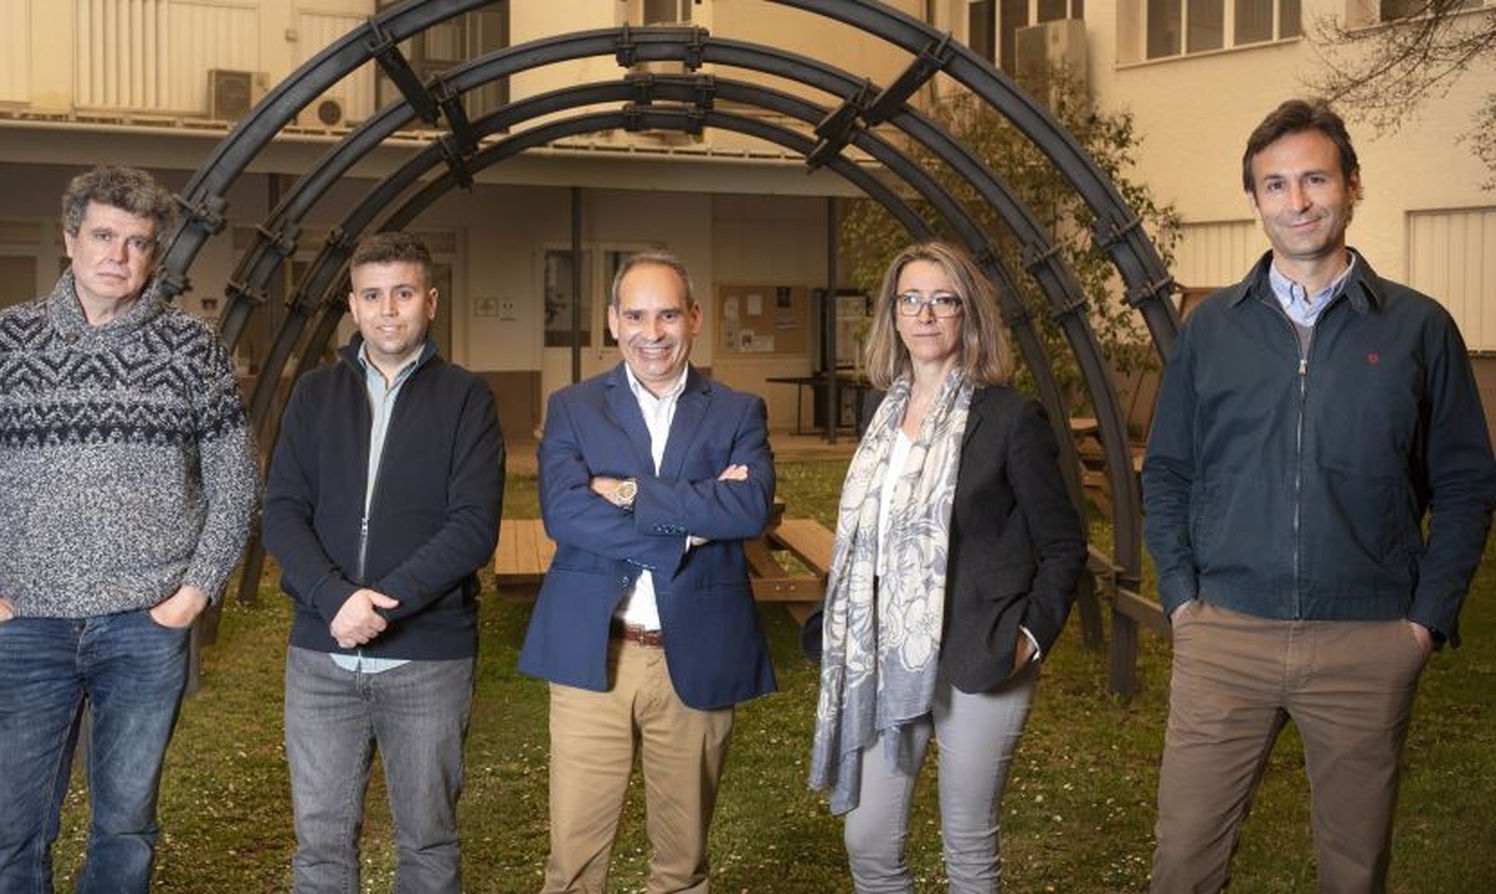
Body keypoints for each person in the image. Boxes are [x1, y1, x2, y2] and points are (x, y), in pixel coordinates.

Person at [1143, 99, 1496, 893]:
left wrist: (1424, 621)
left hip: (1367, 639)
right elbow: (1167, 470)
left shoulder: (1418, 328)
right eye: (1275, 185)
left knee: (1353, 870)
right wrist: (1183, 601)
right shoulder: (1211, 330)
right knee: (1183, 863)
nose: (1296, 201)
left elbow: (1468, 483)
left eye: (1313, 179)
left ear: (1352, 186)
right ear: (1255, 200)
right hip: (1225, 635)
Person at [0, 164, 260, 893]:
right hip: (21, 624)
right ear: (69, 239)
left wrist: (192, 596)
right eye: (104, 236)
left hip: (142, 630)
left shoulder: (191, 348)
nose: (119, 256)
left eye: (138, 242)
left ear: (156, 254)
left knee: (125, 830)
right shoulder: (9, 338)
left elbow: (236, 482)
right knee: (10, 834)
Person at [808, 240, 1087, 892]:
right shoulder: (877, 412)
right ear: (893, 314)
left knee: (968, 848)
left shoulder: (1011, 419)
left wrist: (1030, 637)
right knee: (869, 841)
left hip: (979, 656)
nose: (925, 314)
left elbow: (1064, 546)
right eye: (911, 299)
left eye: (943, 300)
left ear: (970, 315)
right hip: (884, 655)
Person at [518, 250, 776, 893]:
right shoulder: (573, 407)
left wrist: (632, 494)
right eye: (635, 315)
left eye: (667, 314)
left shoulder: (738, 410)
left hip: (698, 654)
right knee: (573, 862)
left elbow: (747, 508)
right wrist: (689, 525)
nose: (651, 332)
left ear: (694, 318)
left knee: (683, 864)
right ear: (612, 321)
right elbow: (567, 515)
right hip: (592, 653)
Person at [262, 231, 504, 893]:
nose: (388, 309)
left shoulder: (467, 399)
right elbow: (283, 510)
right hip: (320, 660)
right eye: (372, 295)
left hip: (427, 660)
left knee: (426, 843)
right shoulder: (313, 395)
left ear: (430, 301)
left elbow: (473, 527)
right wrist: (335, 601)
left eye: (403, 293)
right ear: (352, 304)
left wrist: (380, 604)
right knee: (320, 848)